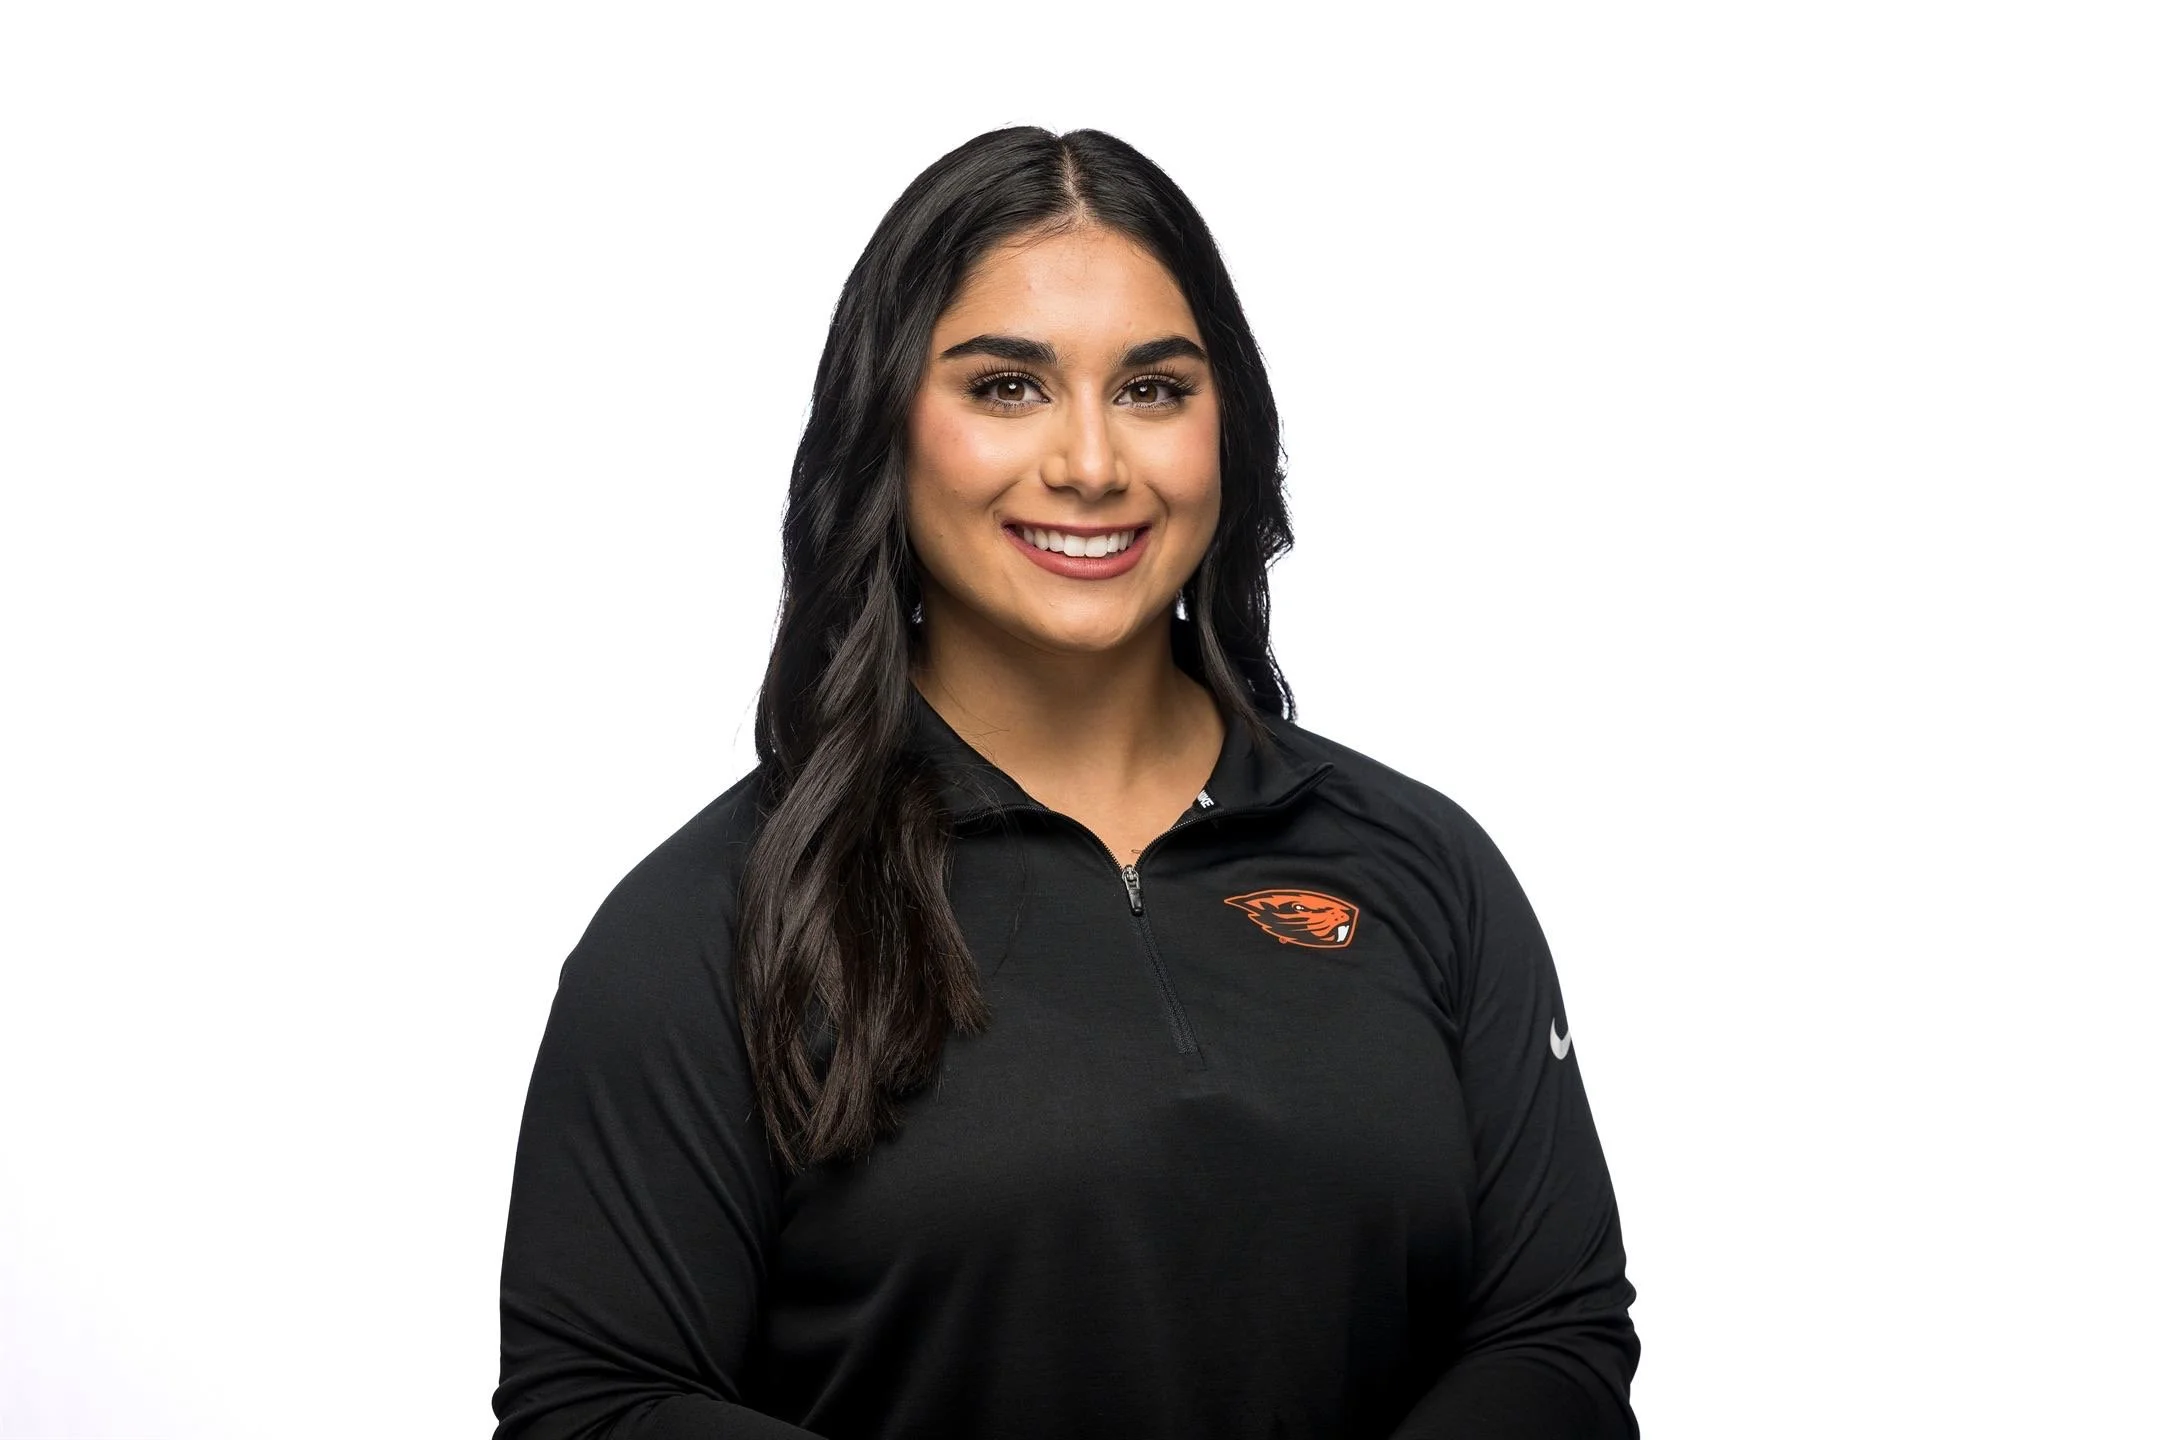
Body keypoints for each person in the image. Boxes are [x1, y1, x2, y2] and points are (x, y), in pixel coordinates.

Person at [492, 126, 1640, 1440]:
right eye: (1006, 389)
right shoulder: (711, 922)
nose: (1093, 464)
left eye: (1154, 389)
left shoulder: (1422, 865)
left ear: (1230, 430)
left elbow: (1554, 1338)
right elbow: (593, 1409)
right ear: (889, 427)